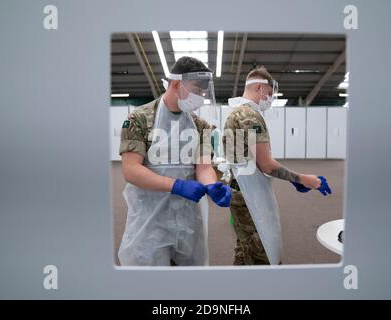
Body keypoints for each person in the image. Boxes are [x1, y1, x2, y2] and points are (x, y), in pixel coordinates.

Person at [117, 56, 231, 266]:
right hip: (149, 219)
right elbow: (131, 170)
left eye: (203, 93)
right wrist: (176, 185)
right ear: (176, 84)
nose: (200, 97)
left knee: (189, 282)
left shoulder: (201, 126)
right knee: (150, 284)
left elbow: (204, 167)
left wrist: (212, 185)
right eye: (197, 90)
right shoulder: (140, 119)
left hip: (187, 218)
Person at [223, 66, 332, 265]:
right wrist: (302, 179)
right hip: (250, 195)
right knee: (260, 252)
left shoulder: (235, 113)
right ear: (259, 87)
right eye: (270, 94)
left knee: (245, 247)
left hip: (239, 190)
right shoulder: (249, 116)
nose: (270, 99)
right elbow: (266, 165)